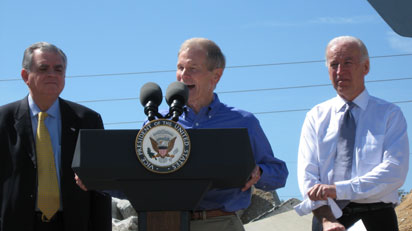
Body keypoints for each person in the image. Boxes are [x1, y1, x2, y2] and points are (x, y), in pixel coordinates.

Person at [172, 37, 288, 231]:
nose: (183, 75)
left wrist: (258, 172)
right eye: (180, 67)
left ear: (216, 76)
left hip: (221, 223)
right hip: (167, 223)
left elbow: (279, 174)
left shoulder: (243, 122)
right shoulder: (159, 125)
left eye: (192, 68)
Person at [294, 36, 409, 231]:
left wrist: (340, 190)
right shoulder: (316, 116)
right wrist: (327, 220)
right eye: (334, 64)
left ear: (366, 67)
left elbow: (394, 171)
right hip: (327, 216)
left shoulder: (389, 114)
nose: (340, 71)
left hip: (378, 217)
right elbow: (308, 175)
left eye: (347, 63)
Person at [0, 42, 111, 231]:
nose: (52, 74)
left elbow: (100, 188)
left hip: (72, 224)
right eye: (43, 68)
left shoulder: (88, 120)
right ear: (25, 76)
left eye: (58, 69)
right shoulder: (3, 120)